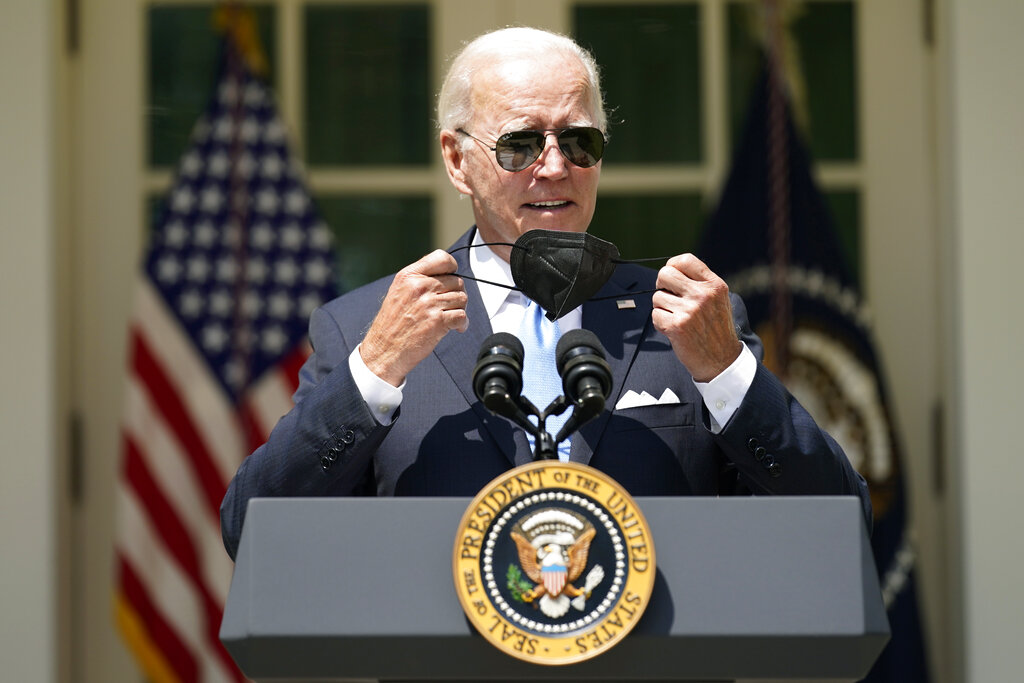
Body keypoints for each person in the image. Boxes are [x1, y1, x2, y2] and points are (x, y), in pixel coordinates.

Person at [220, 27, 870, 560]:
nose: (555, 166)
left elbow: (839, 517)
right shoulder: (364, 326)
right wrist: (374, 372)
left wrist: (729, 376)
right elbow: (249, 527)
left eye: (578, 141)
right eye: (521, 143)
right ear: (456, 159)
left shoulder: (688, 319)